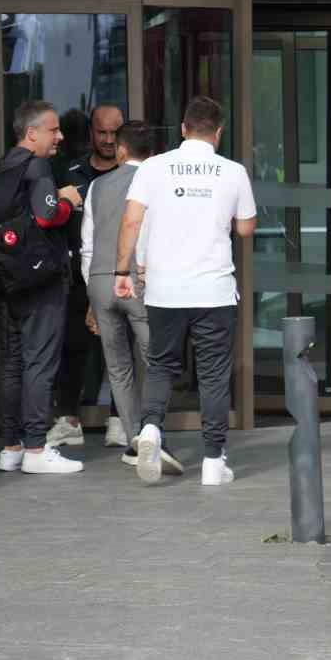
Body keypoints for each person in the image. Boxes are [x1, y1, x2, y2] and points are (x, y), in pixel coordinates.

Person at [114, 95, 256, 486]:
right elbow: (245, 228)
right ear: (219, 132)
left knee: (160, 365)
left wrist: (122, 269)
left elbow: (130, 221)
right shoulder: (232, 171)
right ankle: (213, 460)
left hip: (165, 289)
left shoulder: (154, 168)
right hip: (213, 290)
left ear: (182, 129)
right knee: (213, 374)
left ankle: (152, 430)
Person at [0, 100, 86, 475]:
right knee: (40, 362)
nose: (60, 136)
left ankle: (11, 447)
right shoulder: (38, 167)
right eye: (53, 129)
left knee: (13, 363)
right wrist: (66, 200)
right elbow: (47, 216)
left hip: (8, 278)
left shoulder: (1, 168)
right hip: (41, 279)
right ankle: (35, 447)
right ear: (32, 133)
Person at [51, 103, 126, 452]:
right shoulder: (72, 170)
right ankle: (68, 422)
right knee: (73, 349)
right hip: (77, 276)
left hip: (121, 275)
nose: (109, 140)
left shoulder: (135, 173)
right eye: (102, 132)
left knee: (120, 349)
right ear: (91, 132)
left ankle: (119, 421)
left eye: (115, 133)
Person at [81, 120, 154, 467]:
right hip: (137, 279)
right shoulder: (155, 181)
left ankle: (134, 436)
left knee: (118, 366)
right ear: (151, 153)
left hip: (100, 279)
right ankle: (154, 431)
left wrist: (92, 295)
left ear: (121, 151)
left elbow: (87, 244)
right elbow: (148, 233)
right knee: (155, 358)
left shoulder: (96, 185)